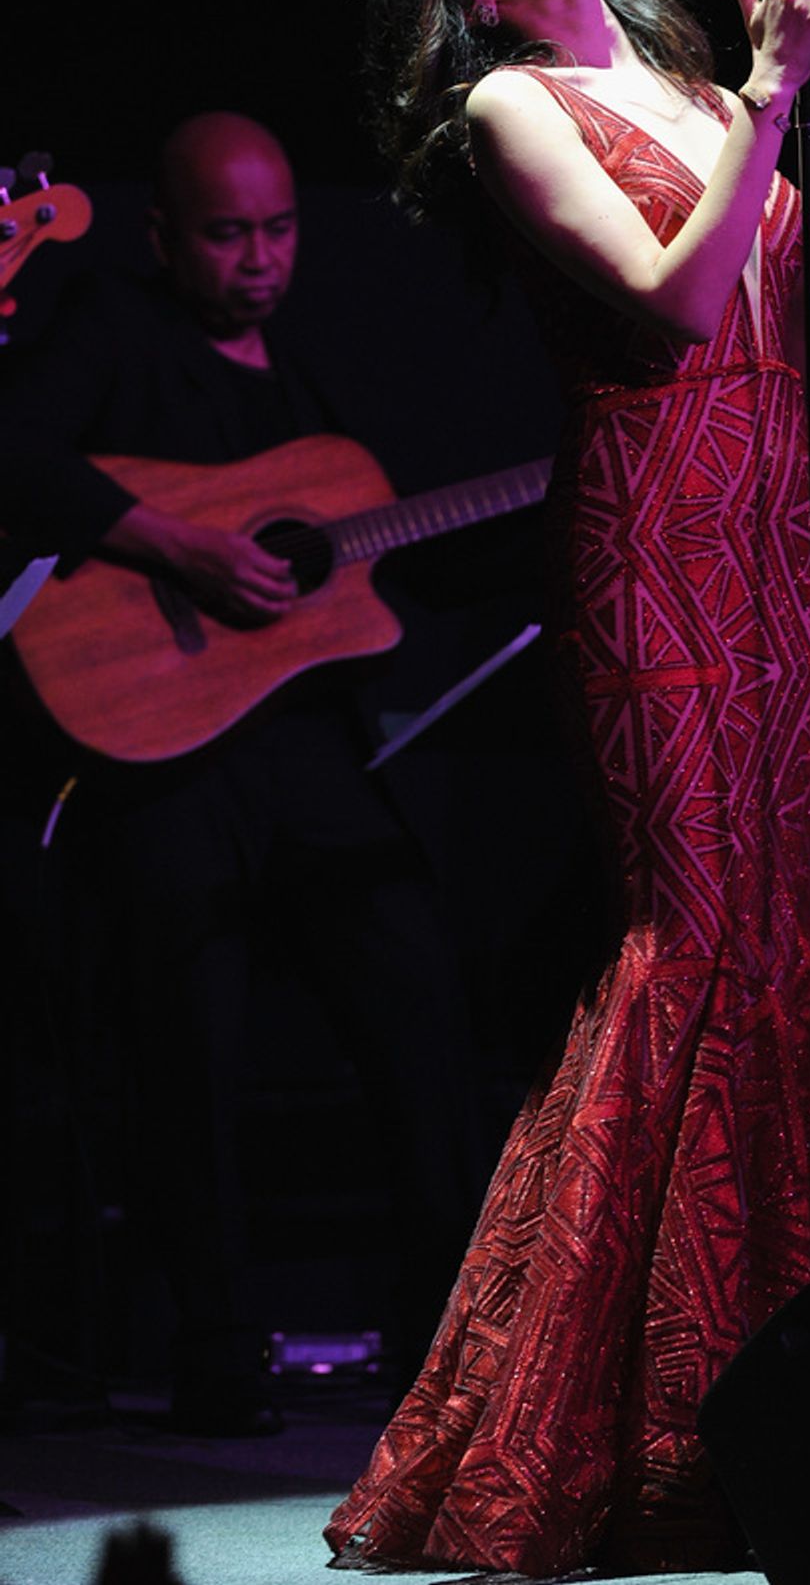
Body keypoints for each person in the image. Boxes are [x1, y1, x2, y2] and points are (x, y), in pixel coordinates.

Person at [323, 0, 810, 1575]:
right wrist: (776, 87)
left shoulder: (681, 73)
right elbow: (675, 302)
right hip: (648, 557)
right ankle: (585, 1424)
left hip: (771, 558)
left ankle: (780, 1410)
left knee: (776, 955)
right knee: (686, 942)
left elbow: (784, 363)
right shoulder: (510, 105)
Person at [0, 112, 484, 1434]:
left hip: (304, 754)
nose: (260, 258)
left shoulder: (312, 380)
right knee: (187, 1052)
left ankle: (442, 1338)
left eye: (278, 231)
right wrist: (178, 547)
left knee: (418, 1000)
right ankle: (219, 1354)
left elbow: (384, 550)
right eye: (228, 233)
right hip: (156, 759)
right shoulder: (112, 325)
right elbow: (14, 449)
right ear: (166, 235)